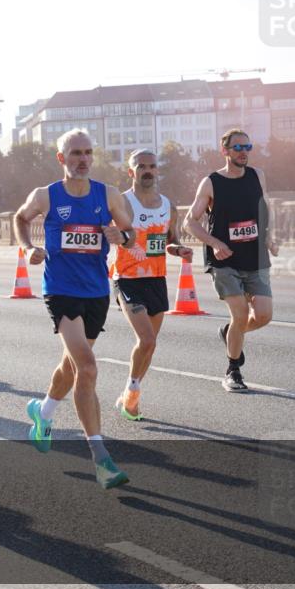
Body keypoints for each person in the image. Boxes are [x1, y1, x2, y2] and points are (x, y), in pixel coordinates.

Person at [14, 128, 137, 489]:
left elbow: (131, 232)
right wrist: (27, 248)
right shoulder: (46, 196)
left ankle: (43, 411)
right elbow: (21, 218)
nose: (82, 159)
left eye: (87, 152)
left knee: (72, 366)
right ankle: (101, 459)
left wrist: (121, 237)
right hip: (61, 291)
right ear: (61, 159)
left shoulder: (108, 194)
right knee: (87, 366)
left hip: (97, 290)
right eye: (75, 153)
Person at [184, 129, 278, 393]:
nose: (243, 151)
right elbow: (189, 221)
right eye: (237, 147)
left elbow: (264, 207)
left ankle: (229, 334)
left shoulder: (258, 176)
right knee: (239, 315)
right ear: (224, 151)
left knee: (263, 316)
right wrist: (215, 243)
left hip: (256, 257)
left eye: (247, 146)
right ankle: (232, 371)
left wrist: (269, 237)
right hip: (225, 260)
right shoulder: (211, 182)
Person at [112, 150, 193, 421]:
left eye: (152, 166)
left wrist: (178, 249)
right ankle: (133, 395)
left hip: (156, 279)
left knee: (150, 344)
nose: (147, 170)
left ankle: (129, 389)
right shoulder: (123, 202)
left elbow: (169, 241)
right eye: (141, 166)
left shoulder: (167, 205)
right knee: (146, 338)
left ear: (157, 171)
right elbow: (113, 235)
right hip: (127, 278)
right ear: (131, 171)